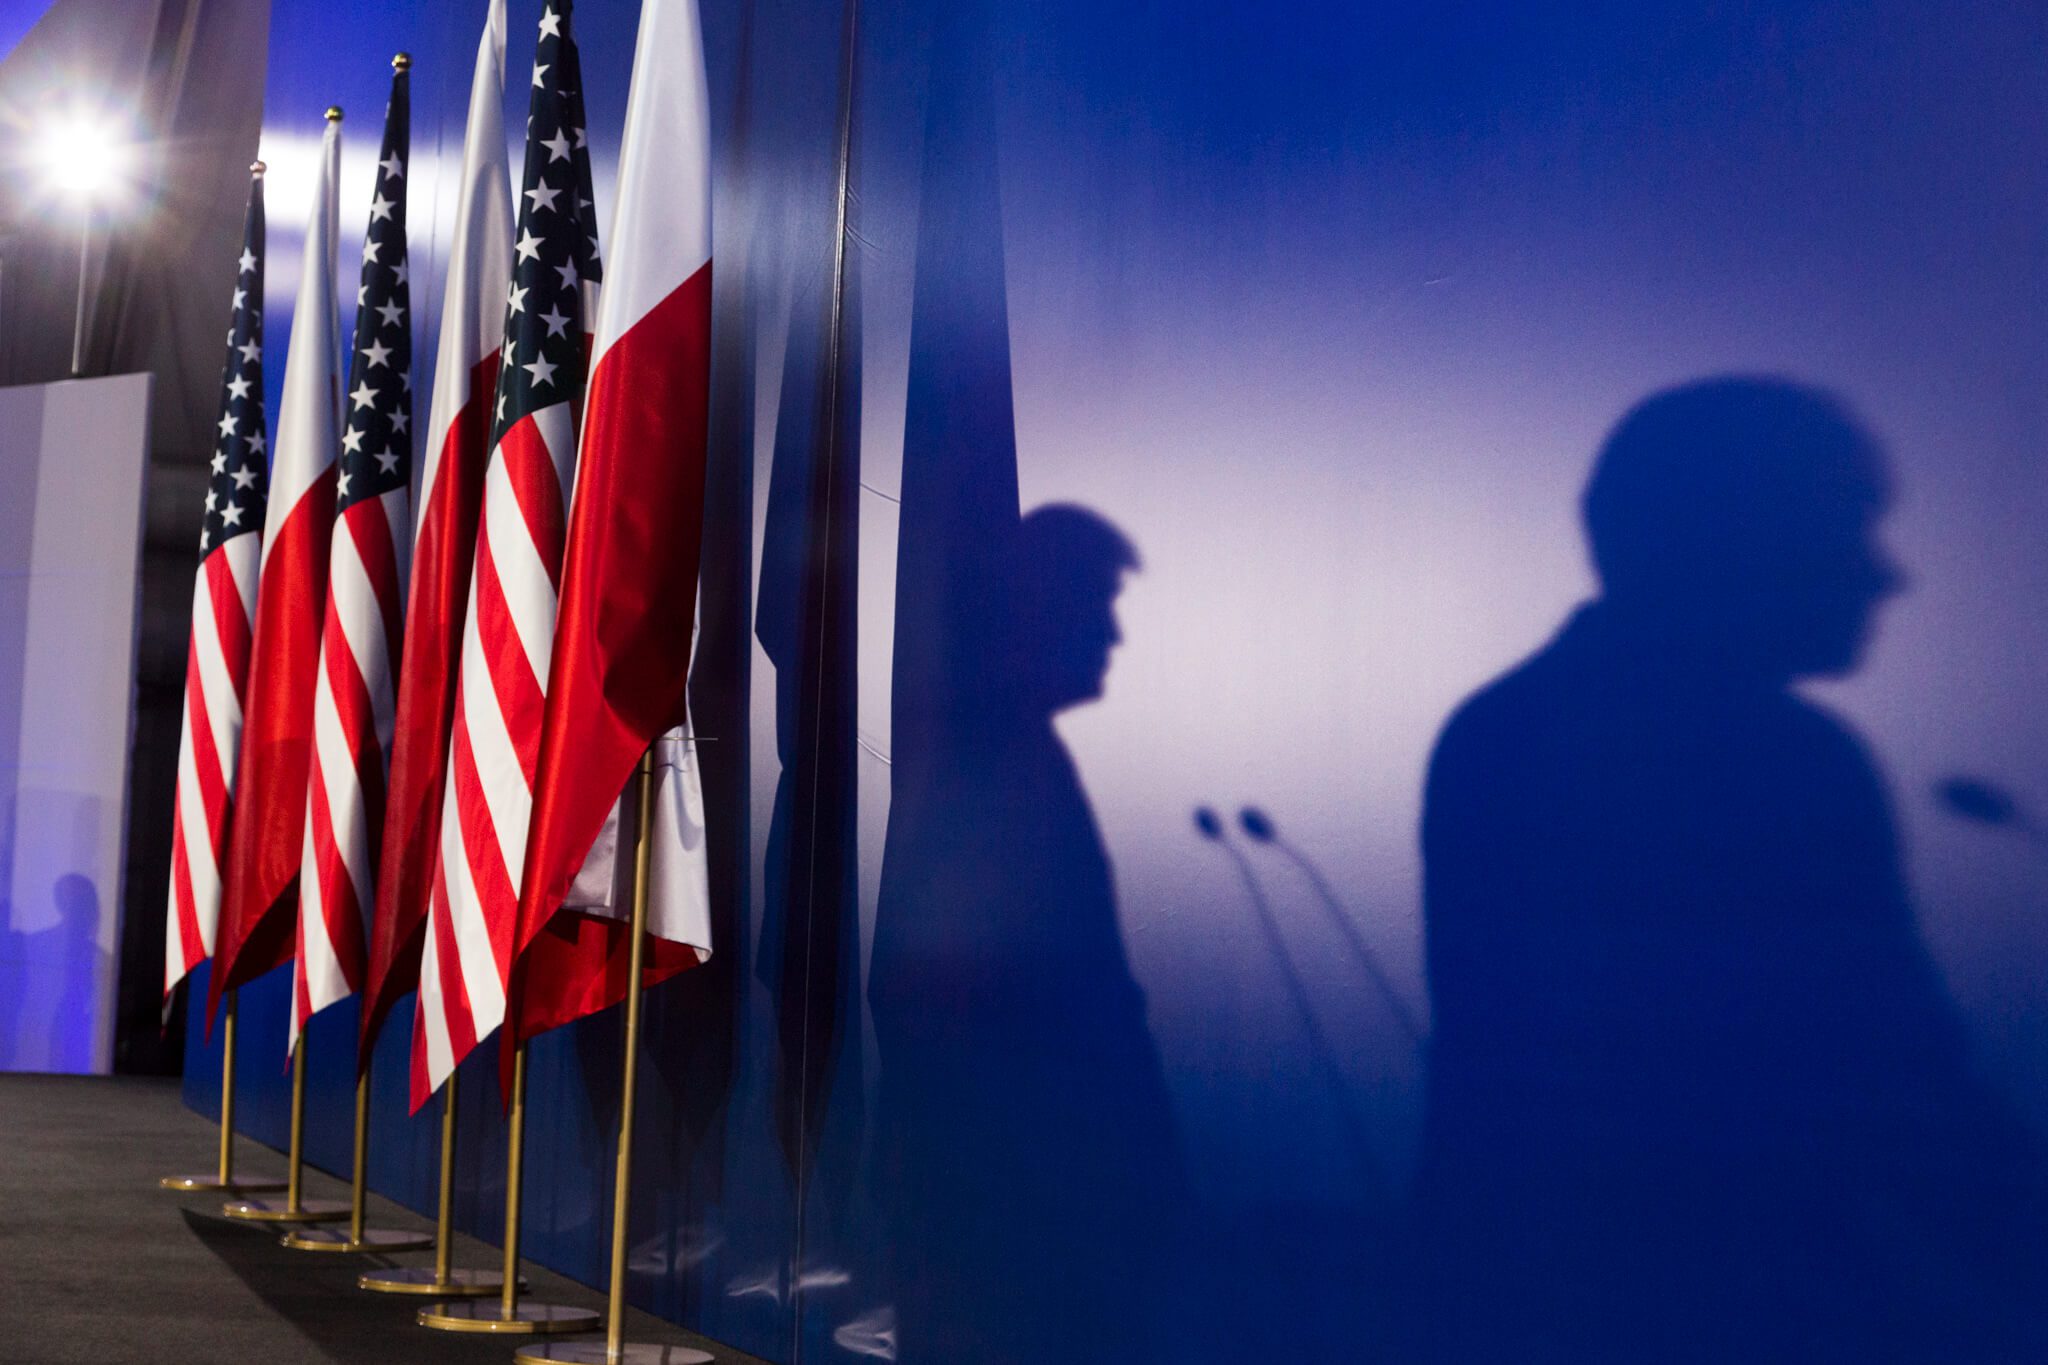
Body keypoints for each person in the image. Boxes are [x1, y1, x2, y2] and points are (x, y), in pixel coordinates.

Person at [1408, 377, 2047, 1363]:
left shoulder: (1503, 726)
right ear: (1741, 537)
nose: (1887, 575)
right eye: (1847, 524)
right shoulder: (1778, 757)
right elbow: (1891, 1088)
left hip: (1526, 1296)